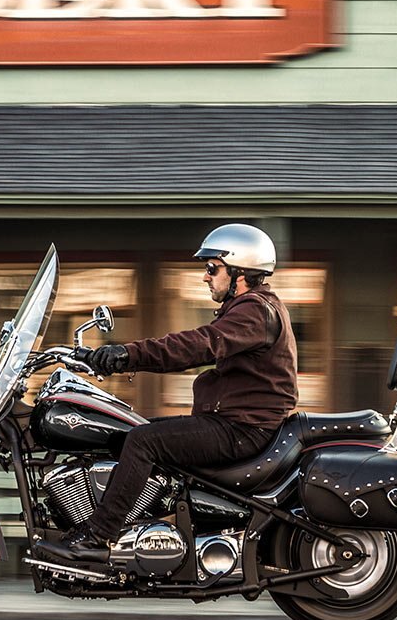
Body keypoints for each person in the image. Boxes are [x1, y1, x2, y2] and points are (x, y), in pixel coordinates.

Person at [37, 223, 298, 563]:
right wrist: (92, 357)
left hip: (242, 429)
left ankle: (98, 537)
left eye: (212, 268)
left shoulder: (254, 311)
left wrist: (126, 355)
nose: (206, 277)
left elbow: (195, 345)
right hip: (231, 422)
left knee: (143, 440)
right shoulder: (252, 309)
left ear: (239, 271)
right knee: (124, 432)